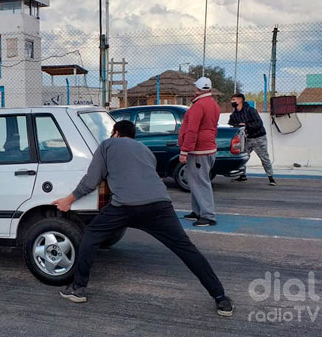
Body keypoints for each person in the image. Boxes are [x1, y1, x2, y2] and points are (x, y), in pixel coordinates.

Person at [52, 120, 234, 317]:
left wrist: (68, 200)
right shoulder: (145, 150)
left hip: (123, 207)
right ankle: (221, 298)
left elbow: (91, 180)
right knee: (186, 249)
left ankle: (78, 288)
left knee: (91, 235)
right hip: (159, 206)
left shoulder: (107, 145)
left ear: (115, 133)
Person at [178, 77, 220, 227]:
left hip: (199, 151)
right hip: (207, 148)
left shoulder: (198, 106)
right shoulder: (213, 104)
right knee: (197, 181)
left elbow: (192, 130)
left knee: (200, 182)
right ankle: (198, 211)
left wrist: (184, 150)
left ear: (198, 89)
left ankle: (208, 215)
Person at [228, 93, 277, 186]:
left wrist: (246, 125)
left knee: (264, 158)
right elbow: (231, 123)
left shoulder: (251, 110)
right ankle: (242, 176)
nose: (232, 102)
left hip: (259, 138)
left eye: (234, 100)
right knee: (241, 157)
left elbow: (258, 123)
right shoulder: (234, 114)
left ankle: (271, 178)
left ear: (240, 100)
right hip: (246, 139)